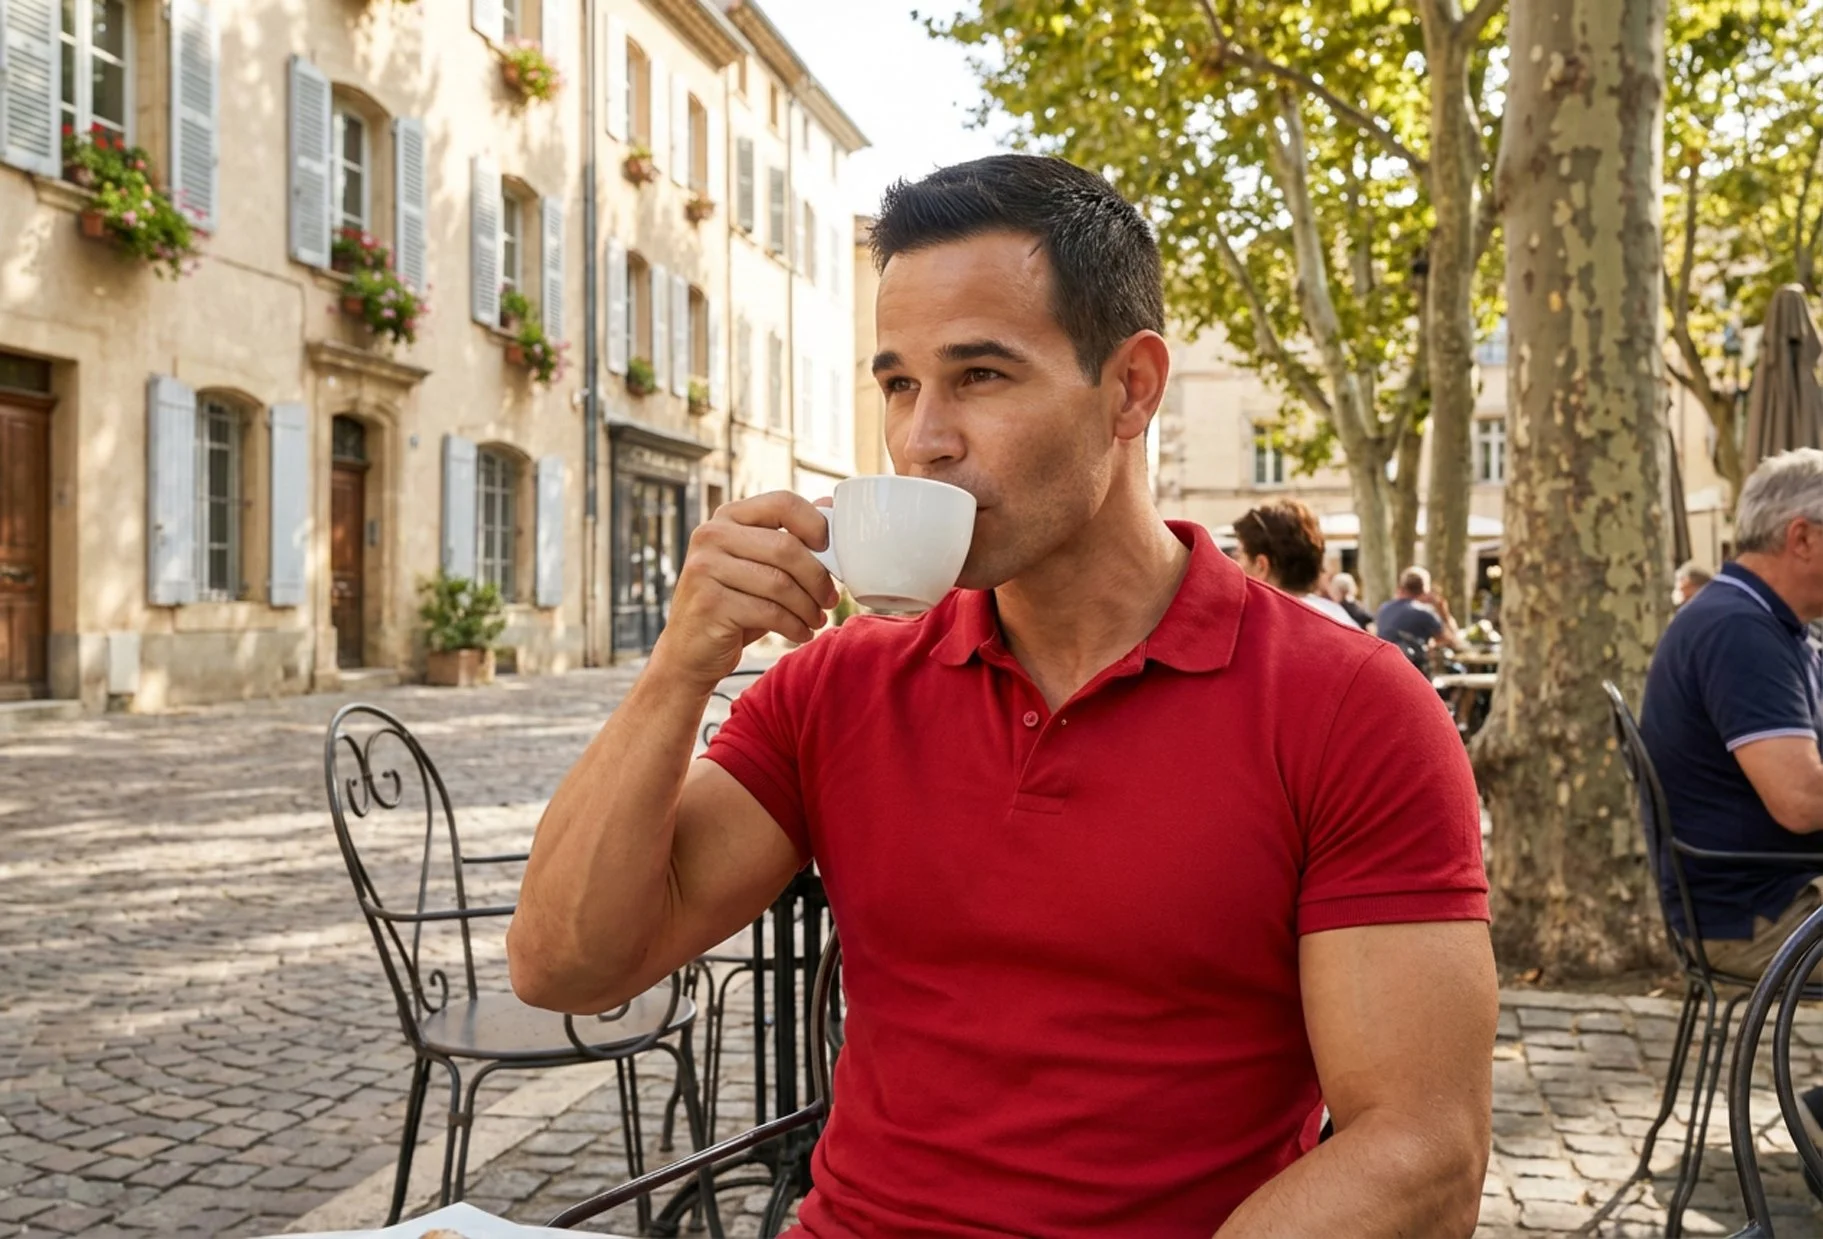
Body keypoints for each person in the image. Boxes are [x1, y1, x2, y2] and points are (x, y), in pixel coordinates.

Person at [508, 154, 1495, 1237]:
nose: (920, 437)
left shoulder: (1346, 707)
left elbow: (1418, 1152)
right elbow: (566, 963)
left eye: (978, 376)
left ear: (1129, 388)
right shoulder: (841, 685)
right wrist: (677, 669)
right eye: (897, 383)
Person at [1641, 448, 1823, 1135]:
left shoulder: (1764, 623)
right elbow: (1800, 799)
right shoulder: (1739, 630)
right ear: (1800, 535)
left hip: (1760, 893)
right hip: (1756, 912)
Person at [1233, 500, 1361, 627]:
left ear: (1261, 566)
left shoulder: (1256, 631)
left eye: (1239, 556)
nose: (1235, 565)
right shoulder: (1343, 622)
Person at [1376, 566, 1466, 658]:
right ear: (1425, 589)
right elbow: (1453, 640)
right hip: (1413, 666)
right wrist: (1444, 612)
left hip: (1385, 662)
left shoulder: (1384, 608)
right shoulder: (1425, 612)